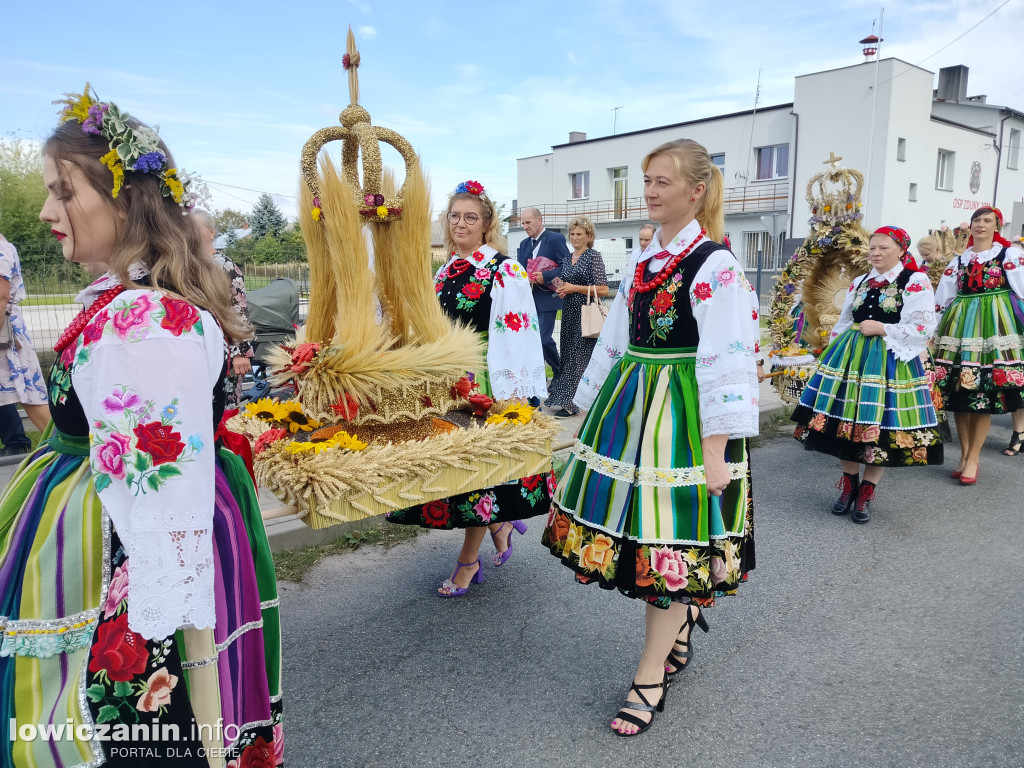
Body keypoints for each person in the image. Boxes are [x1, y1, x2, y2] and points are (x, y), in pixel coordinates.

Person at [0, 87, 282, 766]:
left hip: (125, 545)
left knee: (133, 726)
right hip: (106, 521)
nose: (45, 211)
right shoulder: (127, 300)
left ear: (122, 199)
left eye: (63, 192)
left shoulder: (147, 319)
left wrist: (168, 623)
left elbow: (161, 495)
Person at [542, 139, 759, 736]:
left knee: (667, 541)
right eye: (648, 182)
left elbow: (727, 356)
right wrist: (584, 410)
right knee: (646, 535)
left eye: (664, 182)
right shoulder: (642, 263)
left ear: (697, 191)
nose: (652, 192)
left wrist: (715, 450)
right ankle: (681, 628)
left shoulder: (715, 264)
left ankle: (649, 674)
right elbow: (612, 340)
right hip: (634, 405)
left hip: (684, 414)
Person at [386, 181, 552, 596]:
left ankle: (468, 560)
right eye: (455, 216)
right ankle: (497, 522)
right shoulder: (444, 270)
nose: (461, 224)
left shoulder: (504, 269)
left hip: (483, 381)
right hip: (445, 384)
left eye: (470, 217)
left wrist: (512, 396)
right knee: (456, 472)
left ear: (487, 224)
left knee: (476, 473)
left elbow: (519, 336)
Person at [792, 226, 945, 522]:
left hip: (890, 362)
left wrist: (882, 328)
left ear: (901, 250)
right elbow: (845, 319)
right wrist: (830, 348)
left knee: (881, 427)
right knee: (845, 422)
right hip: (852, 357)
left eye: (883, 248)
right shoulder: (861, 281)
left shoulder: (914, 281)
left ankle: (867, 491)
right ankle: (848, 485)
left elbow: (924, 327)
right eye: (872, 248)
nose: (875, 253)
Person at [933, 206, 1024, 482]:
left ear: (998, 226)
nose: (981, 225)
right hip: (959, 327)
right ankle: (963, 454)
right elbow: (942, 299)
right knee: (961, 396)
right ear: (970, 226)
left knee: (984, 396)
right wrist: (930, 332)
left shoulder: (1009, 255)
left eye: (987, 221)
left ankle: (974, 459)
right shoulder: (958, 261)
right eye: (977, 220)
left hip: (994, 327)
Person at [544, 215, 608, 417]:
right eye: (572, 234)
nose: (574, 237)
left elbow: (604, 289)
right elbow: (566, 283)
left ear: (589, 236)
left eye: (579, 234)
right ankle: (562, 398)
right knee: (568, 356)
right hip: (569, 311)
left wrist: (575, 288)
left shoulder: (593, 256)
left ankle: (571, 404)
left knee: (579, 358)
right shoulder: (567, 258)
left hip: (586, 311)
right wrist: (563, 290)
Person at [193, 208, 256, 406]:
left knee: (224, 413)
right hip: (199, 350)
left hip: (226, 353)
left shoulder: (224, 266)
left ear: (212, 233)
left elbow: (238, 310)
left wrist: (239, 353)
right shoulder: (188, 265)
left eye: (195, 227)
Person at [0, 233, 51, 434]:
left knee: (30, 396)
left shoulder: (1, 250)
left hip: (6, 335)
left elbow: (2, 298)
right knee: (29, 395)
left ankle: (65, 451)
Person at [517, 207, 568, 387]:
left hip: (548, 298)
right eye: (523, 223)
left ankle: (558, 369)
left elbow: (566, 267)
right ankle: (539, 376)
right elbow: (520, 270)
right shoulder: (523, 244)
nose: (525, 226)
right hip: (528, 300)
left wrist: (544, 276)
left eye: (528, 222)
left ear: (539, 220)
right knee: (531, 341)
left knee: (543, 339)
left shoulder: (556, 239)